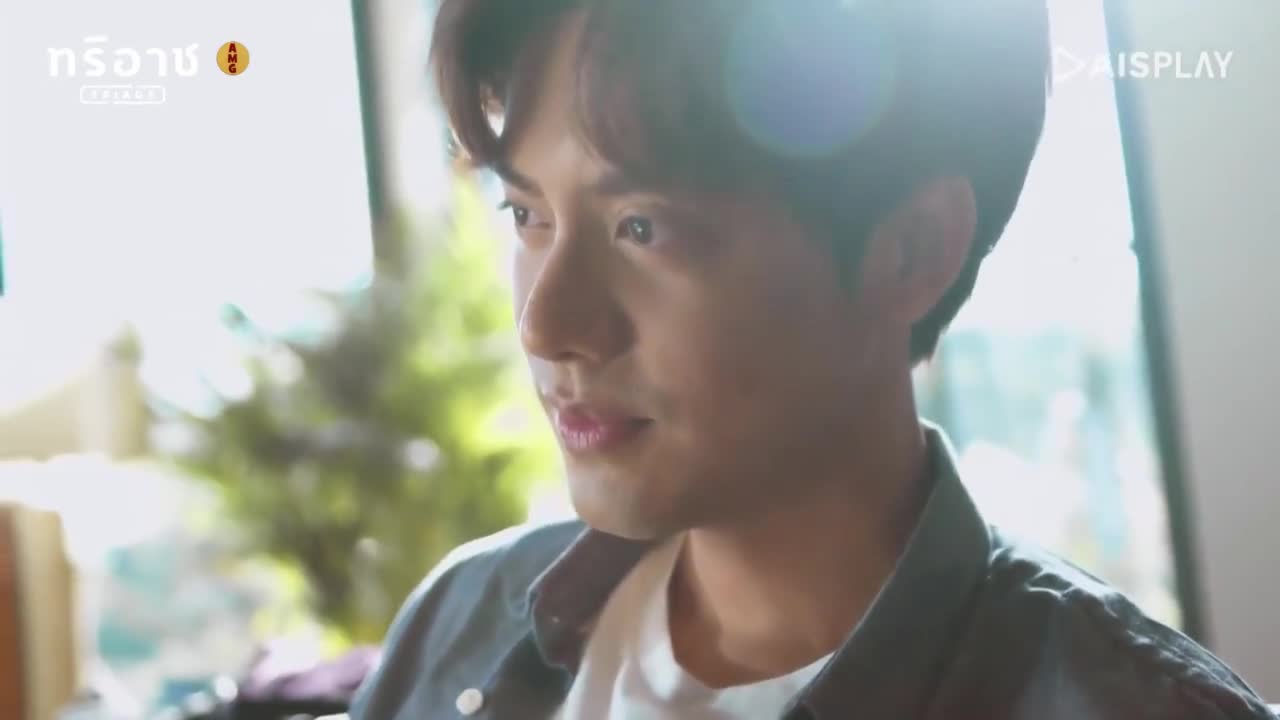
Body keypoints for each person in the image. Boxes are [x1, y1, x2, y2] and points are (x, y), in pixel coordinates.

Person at [351, 1, 1276, 718]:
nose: (546, 324)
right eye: (527, 215)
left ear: (913, 251)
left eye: (642, 228)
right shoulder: (461, 625)